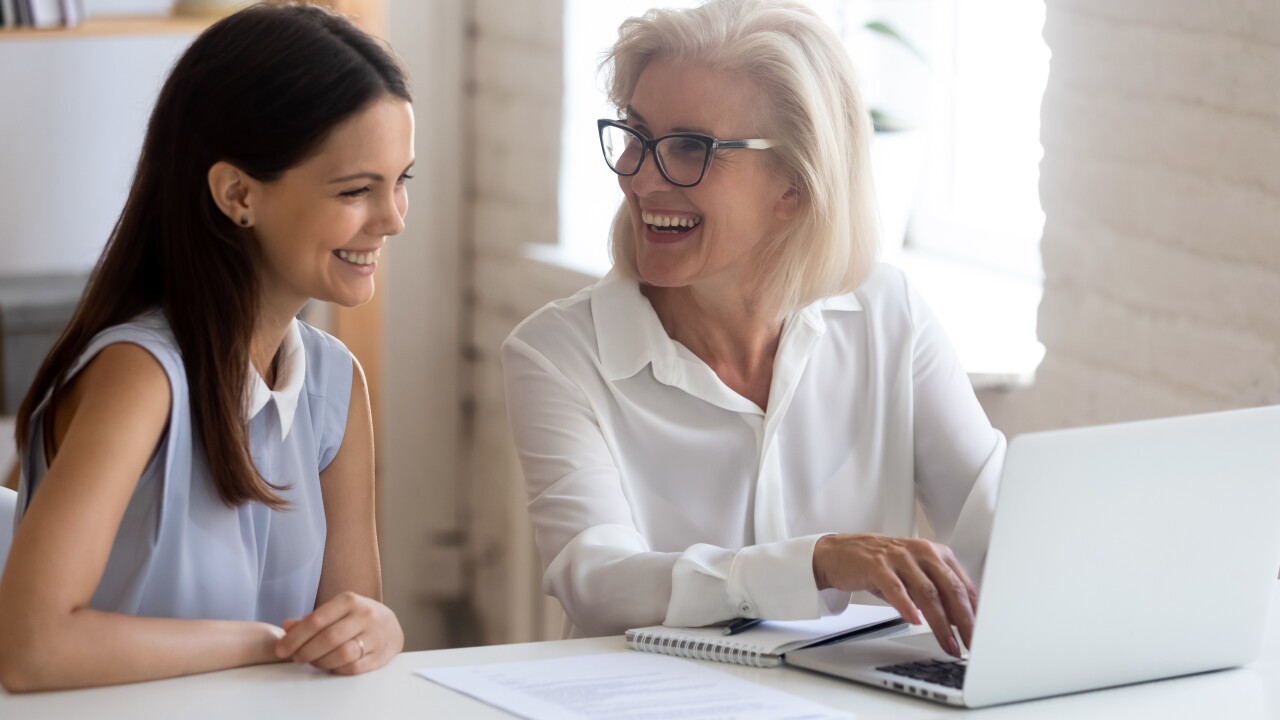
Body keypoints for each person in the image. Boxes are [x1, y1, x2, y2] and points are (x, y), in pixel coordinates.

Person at [502, 0, 1004, 657]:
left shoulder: (889, 315)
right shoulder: (558, 353)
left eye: (689, 147)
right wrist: (816, 563)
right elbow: (597, 582)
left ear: (795, 184)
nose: (642, 177)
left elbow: (994, 526)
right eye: (636, 134)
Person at [0, 4, 413, 691]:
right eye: (356, 190)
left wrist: (380, 630)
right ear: (237, 194)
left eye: (402, 181)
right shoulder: (140, 375)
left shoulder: (337, 385)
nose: (393, 218)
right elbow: (31, 647)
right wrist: (268, 644)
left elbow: (346, 634)